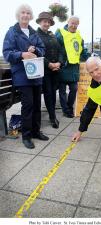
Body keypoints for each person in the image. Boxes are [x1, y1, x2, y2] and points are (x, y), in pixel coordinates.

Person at [3, 4, 49, 149]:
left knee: (36, 104)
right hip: (22, 75)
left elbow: (42, 49)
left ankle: (36, 131)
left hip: (36, 74)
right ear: (18, 15)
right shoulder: (12, 32)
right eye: (23, 12)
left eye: (28, 13)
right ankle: (27, 136)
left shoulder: (34, 33)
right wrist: (23, 54)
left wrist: (36, 50)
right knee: (28, 105)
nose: (25, 15)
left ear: (31, 16)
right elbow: (7, 53)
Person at [36, 12, 63, 128]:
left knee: (53, 92)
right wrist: (49, 64)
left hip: (55, 69)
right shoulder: (36, 35)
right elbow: (37, 53)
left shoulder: (53, 36)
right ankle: (52, 117)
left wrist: (59, 63)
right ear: (40, 22)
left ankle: (52, 114)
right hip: (45, 70)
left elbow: (60, 50)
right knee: (48, 93)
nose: (46, 23)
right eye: (44, 21)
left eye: (48, 22)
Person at [55, 16, 85, 118]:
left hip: (74, 68)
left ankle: (69, 107)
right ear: (68, 22)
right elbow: (56, 50)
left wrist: (89, 58)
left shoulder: (79, 36)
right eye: (72, 23)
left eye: (76, 24)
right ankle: (66, 110)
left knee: (74, 88)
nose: (73, 25)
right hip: (63, 67)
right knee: (62, 91)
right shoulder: (60, 34)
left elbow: (82, 51)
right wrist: (60, 61)